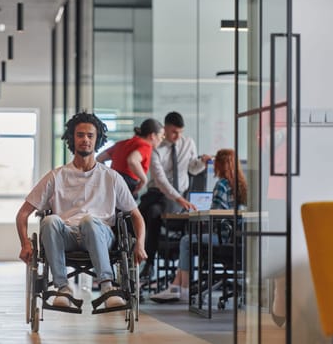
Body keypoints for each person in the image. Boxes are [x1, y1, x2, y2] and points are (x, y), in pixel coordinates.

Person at [16, 111, 147, 309]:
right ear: (72, 139)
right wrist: (25, 243)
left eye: (90, 135)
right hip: (66, 235)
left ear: (97, 139)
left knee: (89, 221)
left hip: (100, 233)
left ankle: (107, 286)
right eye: (80, 135)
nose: (85, 139)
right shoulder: (56, 176)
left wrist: (140, 244)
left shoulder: (111, 177)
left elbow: (136, 216)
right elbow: (23, 213)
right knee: (49, 221)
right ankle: (63, 289)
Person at [150, 148, 247, 302]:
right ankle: (176, 286)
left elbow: (215, 214)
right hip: (239, 239)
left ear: (220, 165)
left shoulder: (221, 185)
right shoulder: (243, 186)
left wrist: (200, 213)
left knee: (186, 240)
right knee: (190, 240)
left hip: (223, 238)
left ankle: (184, 288)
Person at [138, 111, 211, 279]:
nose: (178, 136)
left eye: (180, 132)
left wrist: (202, 163)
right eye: (174, 132)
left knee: (153, 213)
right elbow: (161, 180)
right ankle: (148, 263)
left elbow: (192, 168)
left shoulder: (188, 143)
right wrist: (178, 198)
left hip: (180, 197)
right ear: (165, 128)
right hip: (159, 194)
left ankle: (179, 270)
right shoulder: (156, 148)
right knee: (152, 213)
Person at [96, 118, 164, 198]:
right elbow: (132, 160)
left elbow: (99, 158)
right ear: (152, 136)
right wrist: (144, 180)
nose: (162, 140)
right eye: (161, 136)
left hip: (112, 182)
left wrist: (108, 175)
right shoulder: (146, 146)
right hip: (128, 183)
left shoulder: (122, 144)